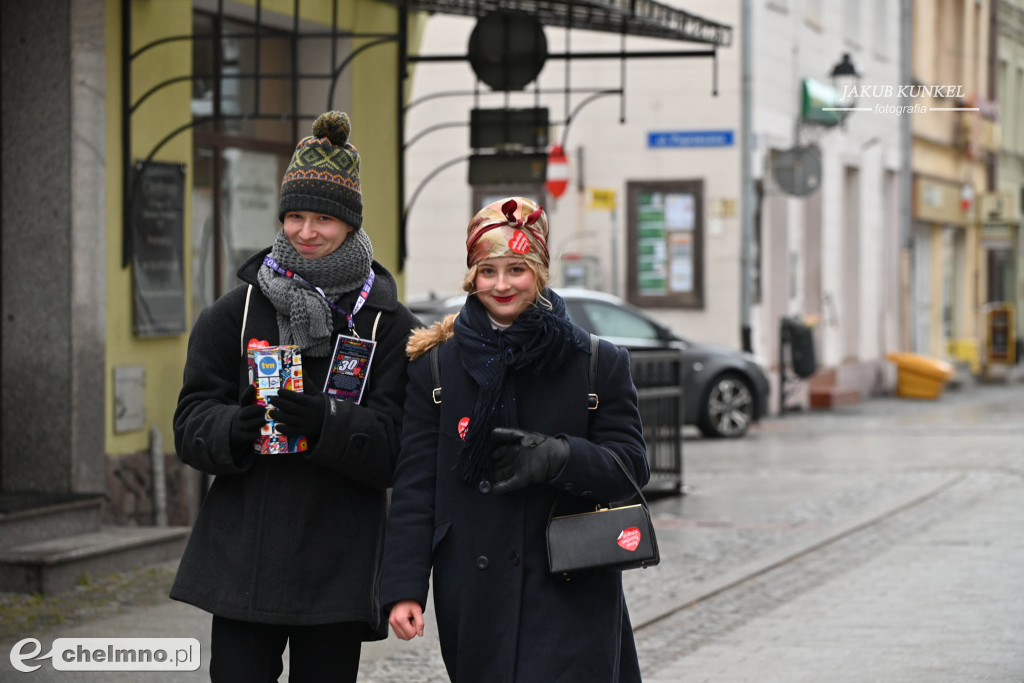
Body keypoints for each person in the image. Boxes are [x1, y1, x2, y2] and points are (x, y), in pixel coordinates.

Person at [171, 111, 418, 682]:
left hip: (339, 561)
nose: (307, 232)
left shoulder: (388, 324)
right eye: (296, 216)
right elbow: (190, 421)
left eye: (324, 219)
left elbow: (400, 448)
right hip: (243, 557)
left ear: (351, 226)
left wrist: (328, 422)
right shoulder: (232, 313)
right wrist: (231, 427)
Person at [380, 197, 650, 682]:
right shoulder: (436, 368)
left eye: (516, 269)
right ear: (472, 276)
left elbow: (631, 468)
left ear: (540, 271)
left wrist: (560, 457)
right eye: (487, 271)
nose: (501, 285)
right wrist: (404, 587)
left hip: (572, 585)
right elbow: (416, 488)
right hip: (475, 588)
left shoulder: (597, 361)